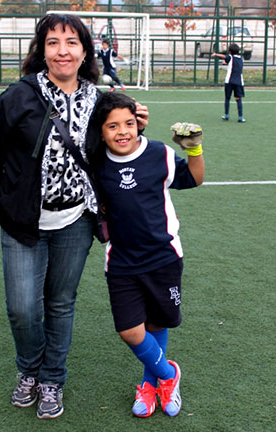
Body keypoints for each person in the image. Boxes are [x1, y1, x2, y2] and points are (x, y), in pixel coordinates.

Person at [0, 14, 148, 420]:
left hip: (77, 221)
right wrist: (13, 192)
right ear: (42, 50)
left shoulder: (99, 99)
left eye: (71, 42)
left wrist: (137, 125)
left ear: (85, 50)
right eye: (53, 42)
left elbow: (119, 141)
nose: (62, 50)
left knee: (60, 303)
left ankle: (52, 379)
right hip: (23, 223)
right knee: (22, 308)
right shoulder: (17, 96)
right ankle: (29, 371)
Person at [89, 92, 205, 418]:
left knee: (157, 322)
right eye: (112, 126)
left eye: (128, 123)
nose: (122, 131)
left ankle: (150, 385)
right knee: (130, 330)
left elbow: (194, 178)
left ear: (139, 123)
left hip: (164, 258)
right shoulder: (96, 164)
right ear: (100, 131)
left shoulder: (158, 154)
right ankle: (169, 374)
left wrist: (193, 147)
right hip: (122, 262)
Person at [212, 43, 246, 122]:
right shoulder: (241, 59)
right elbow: (235, 64)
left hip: (229, 82)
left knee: (227, 98)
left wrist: (216, 54)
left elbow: (225, 57)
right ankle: (240, 117)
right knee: (238, 99)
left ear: (230, 52)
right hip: (239, 82)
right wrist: (227, 63)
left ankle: (226, 115)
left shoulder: (230, 57)